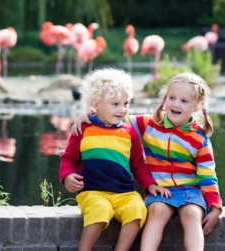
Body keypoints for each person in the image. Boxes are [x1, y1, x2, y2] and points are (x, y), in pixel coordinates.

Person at [72, 72, 222, 251]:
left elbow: (208, 176)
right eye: (171, 97)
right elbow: (112, 115)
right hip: (159, 189)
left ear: (197, 106)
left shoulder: (200, 139)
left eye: (184, 101)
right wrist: (88, 114)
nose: (175, 104)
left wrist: (214, 208)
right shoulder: (149, 123)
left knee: (191, 214)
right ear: (164, 99)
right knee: (156, 211)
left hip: (190, 190)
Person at [59, 68, 170, 251]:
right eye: (115, 104)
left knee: (137, 209)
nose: (122, 109)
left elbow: (137, 165)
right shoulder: (84, 129)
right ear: (96, 103)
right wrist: (67, 176)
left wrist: (150, 184)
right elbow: (68, 159)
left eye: (126, 103)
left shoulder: (129, 132)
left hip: (124, 193)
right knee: (101, 209)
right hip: (92, 192)